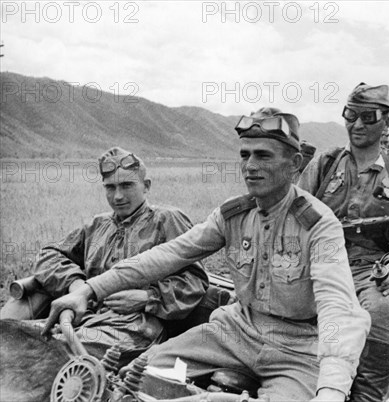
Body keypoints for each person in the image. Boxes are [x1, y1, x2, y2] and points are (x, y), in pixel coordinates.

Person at [43, 107, 371, 402]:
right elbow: (165, 256)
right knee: (144, 377)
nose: (251, 166)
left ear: (294, 164)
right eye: (245, 155)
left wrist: (331, 390)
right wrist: (89, 289)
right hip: (232, 332)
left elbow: (337, 311)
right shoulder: (232, 215)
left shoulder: (318, 224)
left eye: (264, 156)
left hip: (296, 349)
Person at [1, 147, 208, 365]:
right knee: (16, 338)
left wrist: (148, 298)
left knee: (46, 353)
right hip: (85, 318)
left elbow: (195, 281)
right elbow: (48, 254)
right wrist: (76, 285)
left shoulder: (167, 220)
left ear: (146, 186)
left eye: (127, 185)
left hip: (134, 327)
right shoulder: (96, 225)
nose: (118, 196)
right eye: (110, 187)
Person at [299, 83, 389, 402]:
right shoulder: (326, 164)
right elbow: (297, 212)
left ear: (385, 123)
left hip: (372, 270)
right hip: (320, 264)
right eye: (350, 114)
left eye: (368, 117)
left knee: (381, 310)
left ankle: (372, 394)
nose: (357, 124)